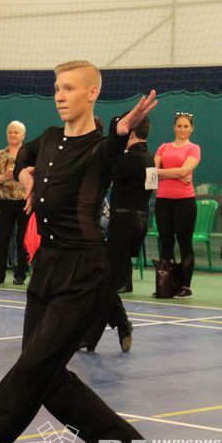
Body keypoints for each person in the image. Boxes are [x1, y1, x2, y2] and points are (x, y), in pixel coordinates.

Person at [0, 61, 157, 443]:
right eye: (56, 87)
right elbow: (26, 157)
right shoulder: (47, 139)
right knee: (45, 375)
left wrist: (123, 126)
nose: (59, 94)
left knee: (32, 366)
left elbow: (115, 143)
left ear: (92, 93)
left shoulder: (101, 148)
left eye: (69, 88)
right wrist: (27, 172)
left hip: (83, 272)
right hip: (45, 268)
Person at [81, 114, 154, 353]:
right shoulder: (150, 159)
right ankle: (122, 325)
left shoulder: (129, 159)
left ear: (130, 134)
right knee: (107, 280)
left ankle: (91, 338)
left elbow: (104, 165)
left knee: (104, 283)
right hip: (141, 222)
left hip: (123, 223)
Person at [153, 112, 201, 298]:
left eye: (186, 126)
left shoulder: (194, 148)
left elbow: (185, 169)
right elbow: (152, 171)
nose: (182, 129)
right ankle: (165, 285)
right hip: (162, 201)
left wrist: (166, 172)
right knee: (165, 243)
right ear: (174, 128)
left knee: (184, 243)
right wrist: (178, 174)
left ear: (191, 128)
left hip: (185, 202)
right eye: (179, 126)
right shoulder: (163, 147)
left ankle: (185, 286)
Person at [0, 121, 28, 285]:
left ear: (23, 135)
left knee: (22, 239)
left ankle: (20, 274)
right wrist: (5, 176)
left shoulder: (30, 154)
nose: (12, 135)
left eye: (16, 132)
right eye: (10, 132)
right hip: (5, 202)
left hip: (25, 202)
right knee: (2, 238)